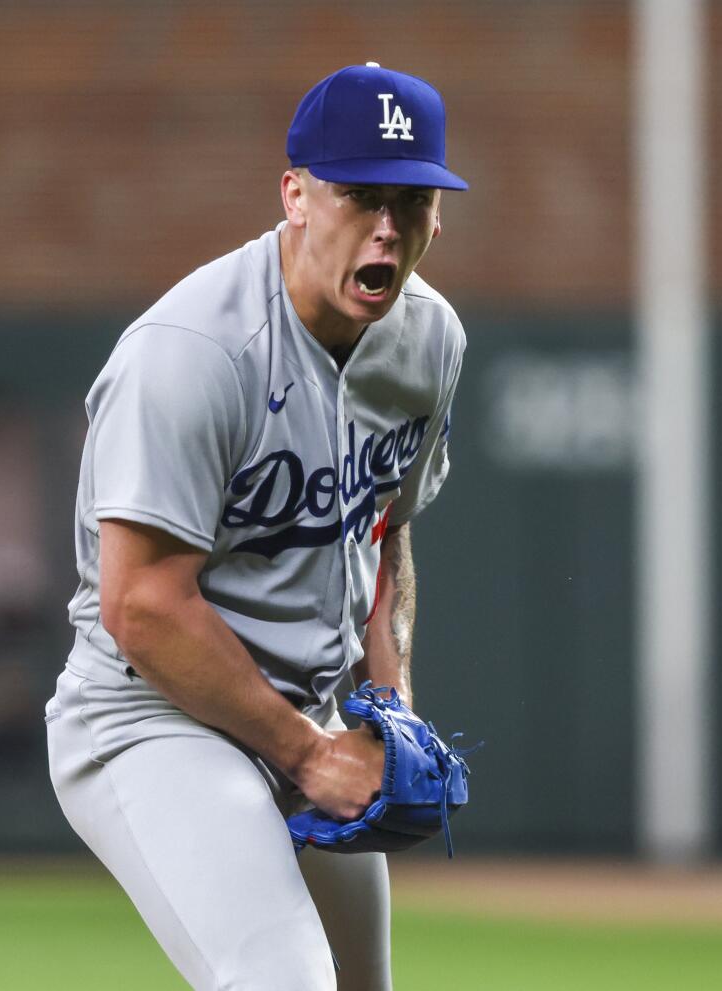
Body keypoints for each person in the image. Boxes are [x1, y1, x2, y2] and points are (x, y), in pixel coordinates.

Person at [44, 62, 468, 990]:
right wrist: (310, 754)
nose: (387, 227)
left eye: (413, 200)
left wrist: (388, 706)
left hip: (305, 710)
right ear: (297, 195)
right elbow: (142, 605)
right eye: (359, 194)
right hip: (150, 715)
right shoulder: (193, 351)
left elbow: (382, 530)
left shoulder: (430, 340)